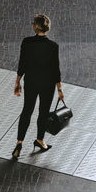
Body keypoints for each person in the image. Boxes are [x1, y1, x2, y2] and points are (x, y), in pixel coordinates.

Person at [11, 13, 64, 159]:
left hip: (31, 82)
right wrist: (59, 89)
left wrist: (17, 81)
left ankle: (19, 143)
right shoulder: (53, 46)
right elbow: (55, 69)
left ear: (36, 27)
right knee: (43, 112)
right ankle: (40, 140)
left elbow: (23, 63)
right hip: (47, 84)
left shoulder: (27, 42)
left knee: (27, 110)